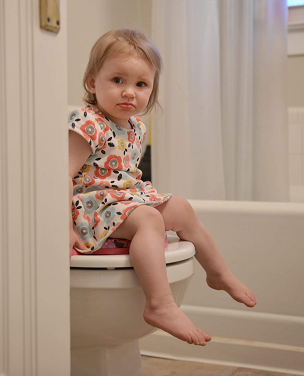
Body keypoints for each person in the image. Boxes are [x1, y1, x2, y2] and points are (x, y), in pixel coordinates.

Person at [68, 29, 256, 346]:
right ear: (92, 83)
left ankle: (218, 273)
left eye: (141, 84)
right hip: (90, 207)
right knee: (150, 219)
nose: (129, 92)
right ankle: (160, 304)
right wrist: (65, 226)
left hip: (122, 200)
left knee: (181, 208)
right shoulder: (88, 122)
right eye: (117, 80)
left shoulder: (136, 127)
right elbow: (62, 174)